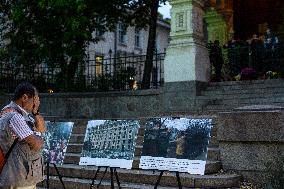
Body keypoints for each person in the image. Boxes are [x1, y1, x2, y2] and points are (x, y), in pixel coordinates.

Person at [0, 82, 46, 189]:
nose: (37, 102)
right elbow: (36, 144)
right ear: (25, 97)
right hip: (16, 178)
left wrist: (36, 112)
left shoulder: (22, 115)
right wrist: (40, 139)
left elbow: (42, 129)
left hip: (23, 177)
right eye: (35, 99)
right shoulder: (13, 115)